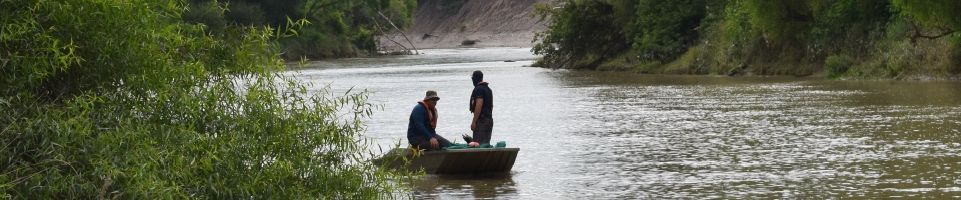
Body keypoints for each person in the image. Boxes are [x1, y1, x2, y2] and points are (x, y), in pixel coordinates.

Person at [469, 70, 494, 144]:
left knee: (477, 144)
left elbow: (479, 105)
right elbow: (491, 106)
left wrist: (474, 121)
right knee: (485, 144)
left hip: (482, 121)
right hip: (489, 120)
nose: (472, 80)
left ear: (475, 79)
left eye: (472, 78)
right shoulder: (488, 89)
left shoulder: (478, 89)